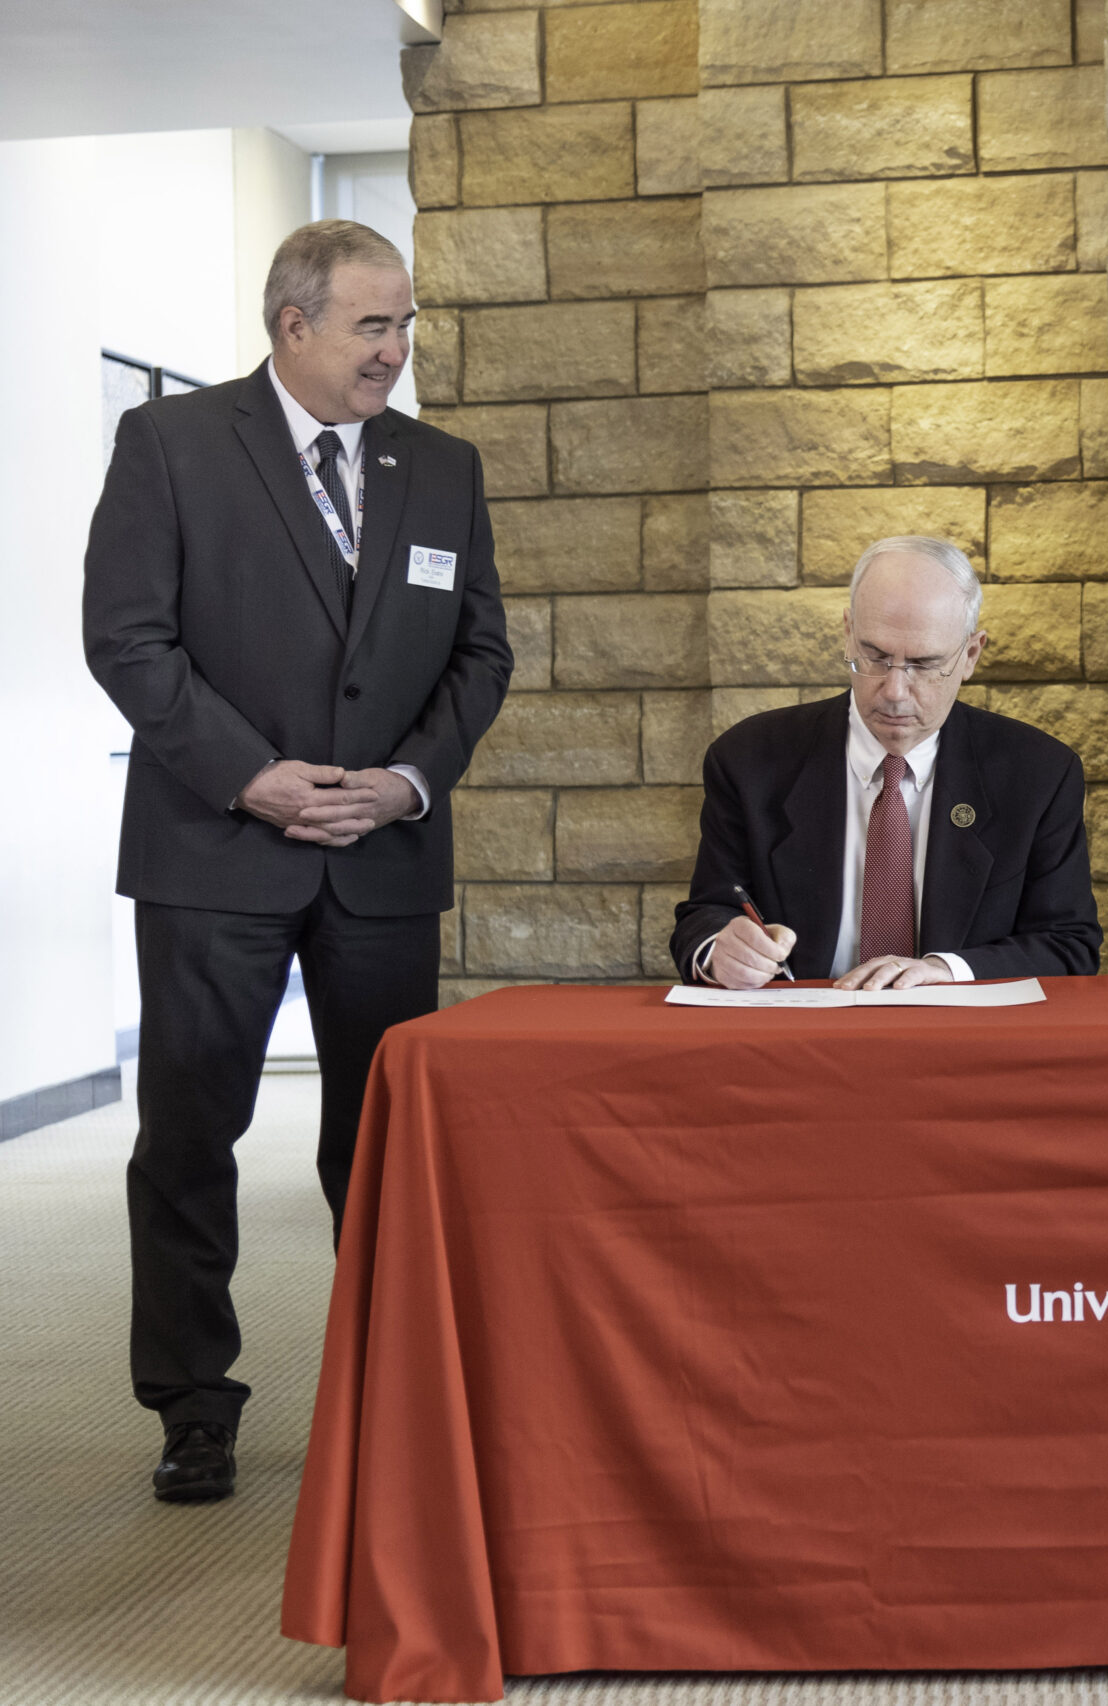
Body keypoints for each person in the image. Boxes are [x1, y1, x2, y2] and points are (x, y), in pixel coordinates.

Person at [83, 220, 513, 1502]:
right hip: (216, 848)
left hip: (382, 856)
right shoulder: (170, 446)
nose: (397, 347)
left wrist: (407, 780)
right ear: (295, 325)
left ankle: (392, 1388)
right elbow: (130, 639)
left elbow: (478, 652)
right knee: (192, 1131)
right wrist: (251, 775)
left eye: (406, 323)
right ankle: (193, 1402)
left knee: (378, 1138)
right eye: (374, 325)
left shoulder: (441, 465)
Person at [673, 535, 1101, 989]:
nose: (895, 691)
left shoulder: (1038, 774)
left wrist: (946, 970)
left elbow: (1068, 945)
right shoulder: (749, 759)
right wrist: (719, 950)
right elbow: (707, 913)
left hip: (963, 1043)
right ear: (847, 633)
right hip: (799, 1038)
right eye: (875, 657)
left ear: (970, 655)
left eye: (924, 663)